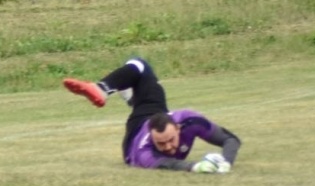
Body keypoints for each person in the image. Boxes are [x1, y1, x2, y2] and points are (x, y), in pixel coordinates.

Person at [63, 57, 241, 173]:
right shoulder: (144, 151)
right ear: (152, 139)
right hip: (136, 130)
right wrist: (196, 166)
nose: (168, 147)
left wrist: (226, 163)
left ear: (178, 128)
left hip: (156, 113)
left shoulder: (190, 120)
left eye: (170, 140)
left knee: (139, 65)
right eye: (161, 143)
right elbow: (168, 164)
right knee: (140, 65)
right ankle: (109, 90)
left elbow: (231, 140)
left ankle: (111, 90)